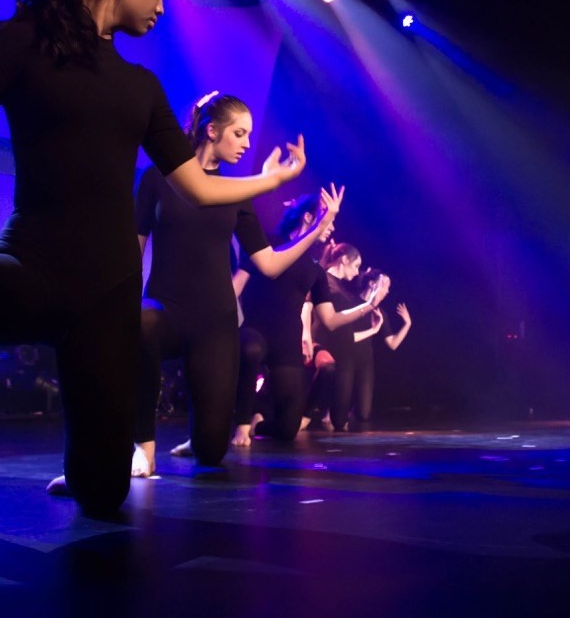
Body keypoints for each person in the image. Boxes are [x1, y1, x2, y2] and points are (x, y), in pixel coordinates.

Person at [0, 0, 308, 539]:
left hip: (106, 299)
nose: (164, 4)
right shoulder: (23, 43)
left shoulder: (140, 87)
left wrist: (274, 180)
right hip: (29, 268)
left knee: (104, 495)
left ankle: (89, 469)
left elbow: (194, 184)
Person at [124, 93, 340, 477]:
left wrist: (319, 229)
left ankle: (201, 439)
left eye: (248, 135)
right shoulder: (157, 179)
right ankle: (144, 446)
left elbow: (269, 263)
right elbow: (132, 250)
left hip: (215, 324)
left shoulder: (237, 194)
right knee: (140, 325)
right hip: (165, 308)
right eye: (239, 134)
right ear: (212, 130)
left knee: (210, 453)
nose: (245, 144)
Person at [231, 198, 378, 444]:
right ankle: (242, 424)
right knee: (251, 349)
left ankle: (258, 424)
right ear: (308, 218)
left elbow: (329, 319)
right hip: (255, 330)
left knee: (289, 429)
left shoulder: (315, 270)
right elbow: (238, 284)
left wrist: (369, 306)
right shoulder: (267, 245)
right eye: (326, 221)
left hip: (286, 344)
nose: (330, 228)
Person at [310, 242, 392, 432]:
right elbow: (320, 315)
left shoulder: (342, 287)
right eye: (355, 266)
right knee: (336, 418)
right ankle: (306, 415)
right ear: (344, 260)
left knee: (340, 420)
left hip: (345, 350)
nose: (357, 272)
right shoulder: (324, 280)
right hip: (333, 349)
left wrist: (370, 310)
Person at [341, 269, 413, 427]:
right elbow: (345, 337)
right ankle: (334, 410)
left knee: (364, 414)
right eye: (385, 285)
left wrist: (407, 324)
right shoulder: (350, 303)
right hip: (345, 359)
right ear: (372, 284)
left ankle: (347, 411)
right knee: (338, 413)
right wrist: (372, 330)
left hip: (365, 363)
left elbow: (392, 344)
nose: (387, 291)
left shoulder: (381, 313)